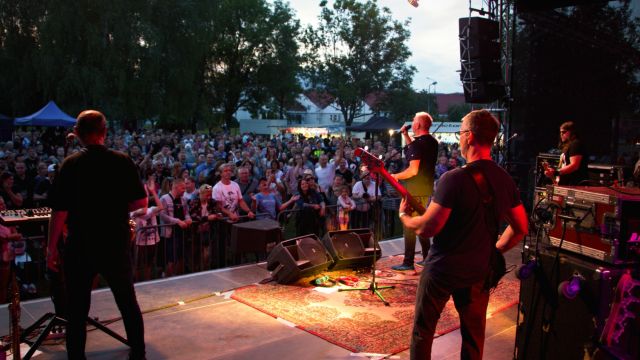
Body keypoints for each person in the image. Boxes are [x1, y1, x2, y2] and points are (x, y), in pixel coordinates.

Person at [398, 109, 528, 360]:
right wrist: (495, 250)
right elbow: (520, 227)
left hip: (443, 269)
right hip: (478, 271)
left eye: (459, 133)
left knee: (423, 333)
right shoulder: (505, 180)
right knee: (473, 336)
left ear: (469, 136)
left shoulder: (453, 179)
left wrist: (405, 218)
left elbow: (428, 228)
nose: (458, 139)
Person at [47, 110, 148, 359]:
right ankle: (138, 352)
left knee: (77, 308)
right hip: (115, 242)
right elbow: (140, 202)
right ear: (104, 132)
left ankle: (76, 356)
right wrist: (113, 205)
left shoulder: (70, 164)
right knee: (127, 302)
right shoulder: (122, 160)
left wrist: (51, 249)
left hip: (80, 245)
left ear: (78, 134)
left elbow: (59, 212)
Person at [390, 112, 438, 271]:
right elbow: (416, 149)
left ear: (417, 125)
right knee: (421, 224)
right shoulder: (431, 142)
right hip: (425, 189)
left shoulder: (418, 144)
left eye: (413, 121)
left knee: (409, 226)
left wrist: (395, 176)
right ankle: (427, 258)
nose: (412, 122)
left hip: (413, 190)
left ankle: (408, 262)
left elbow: (413, 170)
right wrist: (406, 135)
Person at [544, 121, 589, 185]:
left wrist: (556, 172)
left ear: (572, 132)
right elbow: (565, 165)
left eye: (564, 132)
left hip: (574, 184)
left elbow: (574, 165)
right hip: (567, 183)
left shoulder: (576, 144)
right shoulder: (569, 146)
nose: (561, 134)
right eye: (560, 132)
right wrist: (554, 172)